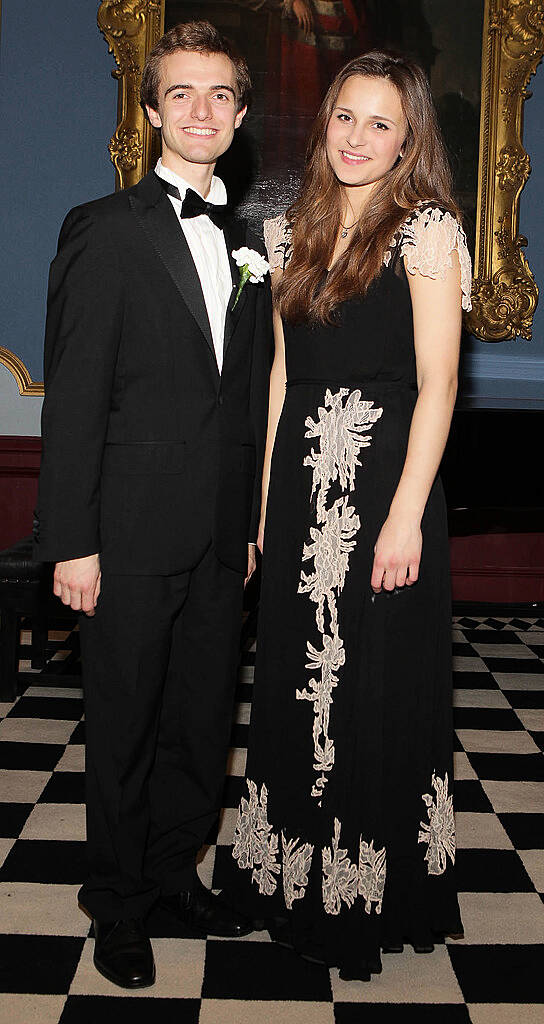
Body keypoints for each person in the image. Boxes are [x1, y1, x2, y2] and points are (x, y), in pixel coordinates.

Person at [34, 20, 272, 989]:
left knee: (200, 724)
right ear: (150, 111)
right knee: (123, 728)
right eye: (181, 94)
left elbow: (248, 398)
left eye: (219, 95)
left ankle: (175, 874)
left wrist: (250, 523)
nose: (202, 111)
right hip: (124, 539)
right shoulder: (103, 229)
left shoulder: (252, 240)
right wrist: (73, 542)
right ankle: (118, 904)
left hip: (221, 538)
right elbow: (75, 399)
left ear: (241, 112)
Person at [228, 50, 471, 981]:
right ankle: (281, 877)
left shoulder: (430, 232)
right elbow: (284, 381)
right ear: (322, 124)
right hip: (299, 493)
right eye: (345, 118)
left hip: (384, 493)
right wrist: (260, 511)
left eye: (382, 123)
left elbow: (442, 387)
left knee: (371, 686)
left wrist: (406, 515)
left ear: (409, 137)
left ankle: (367, 889)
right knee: (295, 680)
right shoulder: (289, 232)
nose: (359, 138)